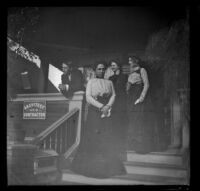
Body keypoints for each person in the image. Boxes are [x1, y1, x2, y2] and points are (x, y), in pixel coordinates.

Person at [71, 61, 126, 178]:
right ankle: (92, 168)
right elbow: (88, 97)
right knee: (94, 136)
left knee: (106, 136)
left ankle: (108, 167)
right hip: (95, 111)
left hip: (107, 111)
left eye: (103, 69)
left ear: (105, 70)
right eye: (99, 69)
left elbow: (113, 95)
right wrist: (101, 106)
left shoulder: (109, 82)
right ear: (95, 70)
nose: (101, 71)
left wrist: (107, 106)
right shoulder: (91, 82)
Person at [126, 56, 157, 154]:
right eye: (129, 61)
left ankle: (142, 148)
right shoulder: (131, 72)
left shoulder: (142, 70)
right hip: (131, 98)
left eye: (131, 60)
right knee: (133, 121)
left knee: (140, 121)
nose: (129, 62)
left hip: (138, 97)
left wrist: (141, 98)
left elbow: (146, 84)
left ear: (136, 61)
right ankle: (133, 146)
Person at [108, 59, 128, 160]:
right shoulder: (110, 78)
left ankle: (122, 151)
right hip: (113, 104)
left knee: (121, 126)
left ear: (118, 66)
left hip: (121, 103)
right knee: (113, 126)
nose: (112, 67)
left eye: (114, 65)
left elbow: (126, 90)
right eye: (111, 65)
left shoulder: (124, 77)